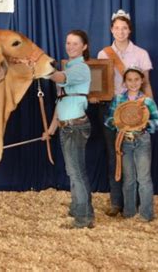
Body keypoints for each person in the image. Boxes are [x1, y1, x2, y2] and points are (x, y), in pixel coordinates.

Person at [94, 9, 154, 217]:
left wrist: (149, 109)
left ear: (129, 30)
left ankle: (137, 204)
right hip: (111, 109)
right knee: (114, 154)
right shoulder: (104, 54)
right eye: (117, 28)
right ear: (111, 30)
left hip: (134, 110)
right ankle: (116, 202)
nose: (120, 32)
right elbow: (100, 84)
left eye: (124, 28)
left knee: (136, 155)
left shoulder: (141, 54)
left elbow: (146, 84)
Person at [44, 30, 94, 229]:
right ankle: (79, 209)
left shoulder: (81, 68)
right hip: (67, 126)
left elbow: (59, 77)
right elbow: (61, 103)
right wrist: (51, 130)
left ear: (84, 47)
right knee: (73, 171)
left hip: (75, 126)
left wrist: (41, 69)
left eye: (75, 43)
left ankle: (83, 218)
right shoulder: (70, 66)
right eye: (68, 43)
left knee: (77, 173)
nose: (70, 46)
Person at [104, 66, 158, 221]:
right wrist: (120, 123)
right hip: (124, 141)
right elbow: (108, 121)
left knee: (144, 178)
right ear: (124, 82)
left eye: (136, 79)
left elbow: (157, 121)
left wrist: (145, 125)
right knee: (128, 178)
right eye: (129, 80)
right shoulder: (118, 99)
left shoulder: (147, 101)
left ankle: (146, 214)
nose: (133, 83)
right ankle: (129, 212)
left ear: (142, 80)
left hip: (142, 140)